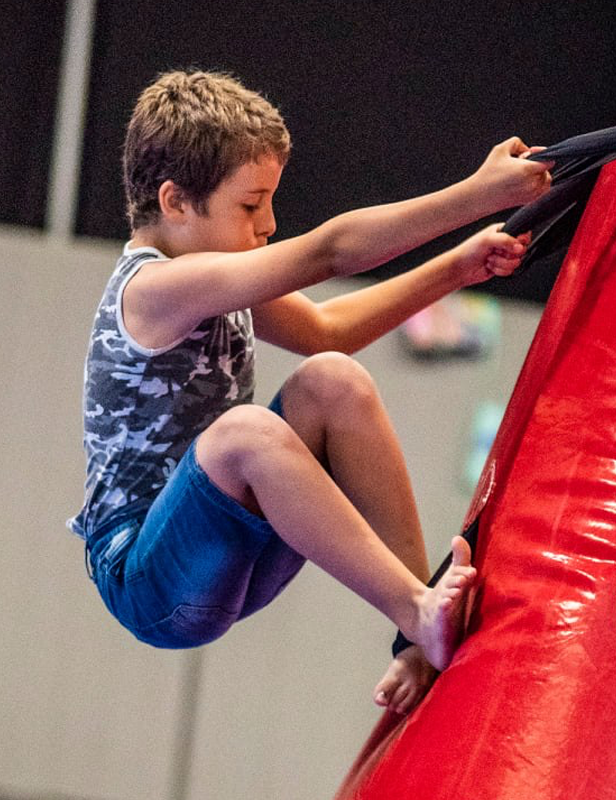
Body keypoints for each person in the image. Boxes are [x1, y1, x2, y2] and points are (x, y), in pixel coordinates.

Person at [70, 70, 551, 715]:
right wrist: (474, 195)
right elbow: (329, 254)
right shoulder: (153, 291)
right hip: (153, 583)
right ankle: (414, 607)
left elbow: (331, 328)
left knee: (331, 378)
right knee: (247, 433)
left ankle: (416, 624)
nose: (268, 223)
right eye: (250, 205)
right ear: (176, 202)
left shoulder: (214, 282)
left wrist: (459, 267)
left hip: (234, 547)